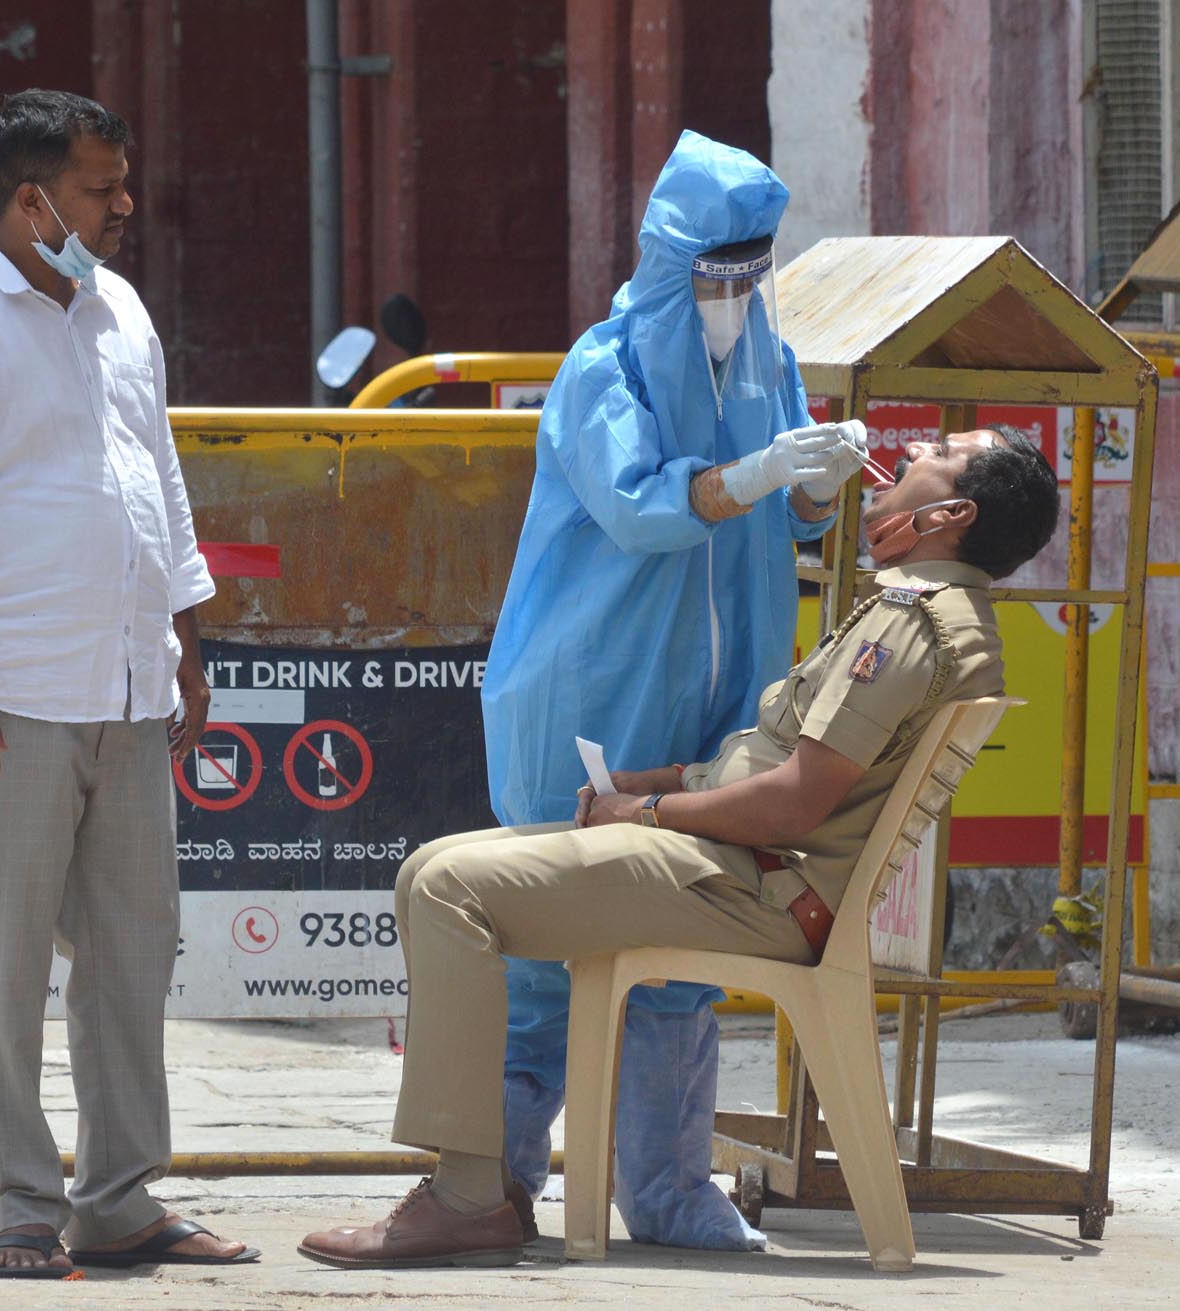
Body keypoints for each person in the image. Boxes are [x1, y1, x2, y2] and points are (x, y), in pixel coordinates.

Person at [299, 425, 1059, 1268]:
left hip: (755, 885)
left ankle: (469, 1196)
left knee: (450, 891)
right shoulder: (915, 608)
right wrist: (650, 781)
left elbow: (792, 802)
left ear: (951, 511)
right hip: (747, 871)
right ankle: (479, 1187)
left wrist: (648, 810)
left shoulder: (913, 622)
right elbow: (773, 769)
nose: (914, 446)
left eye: (941, 451)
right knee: (426, 869)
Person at [0, 88, 256, 1278]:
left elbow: (159, 476)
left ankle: (122, 1201)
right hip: (5, 696)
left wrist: (183, 632)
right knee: (9, 962)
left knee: (135, 955)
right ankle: (24, 1208)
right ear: (31, 201)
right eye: (99, 188)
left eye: (121, 183)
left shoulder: (119, 310)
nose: (123, 207)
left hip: (127, 687)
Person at [480, 129, 862, 1249]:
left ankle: (664, 1190)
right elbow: (641, 507)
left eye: (754, 267)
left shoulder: (766, 364)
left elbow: (787, 513)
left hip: (719, 699)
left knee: (688, 939)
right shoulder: (601, 367)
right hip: (588, 693)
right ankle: (494, 1181)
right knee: (549, 940)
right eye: (719, 269)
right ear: (670, 261)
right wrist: (747, 476)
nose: (737, 292)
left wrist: (816, 489)